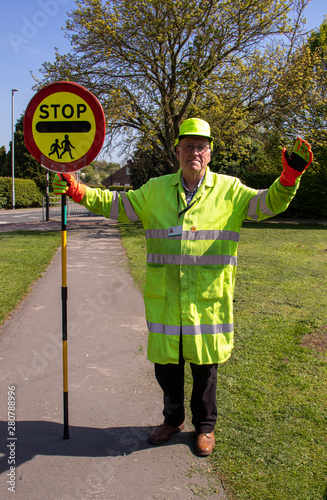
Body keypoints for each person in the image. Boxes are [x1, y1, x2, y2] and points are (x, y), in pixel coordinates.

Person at [53, 118, 312, 457]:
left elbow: (268, 204)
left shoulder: (230, 190)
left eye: (201, 146)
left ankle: (205, 428)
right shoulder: (156, 189)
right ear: (177, 151)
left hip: (207, 301)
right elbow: (118, 206)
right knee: (167, 368)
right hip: (166, 301)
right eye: (188, 146)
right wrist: (78, 190)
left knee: (205, 369)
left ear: (210, 153)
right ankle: (172, 420)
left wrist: (289, 178)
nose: (194, 152)